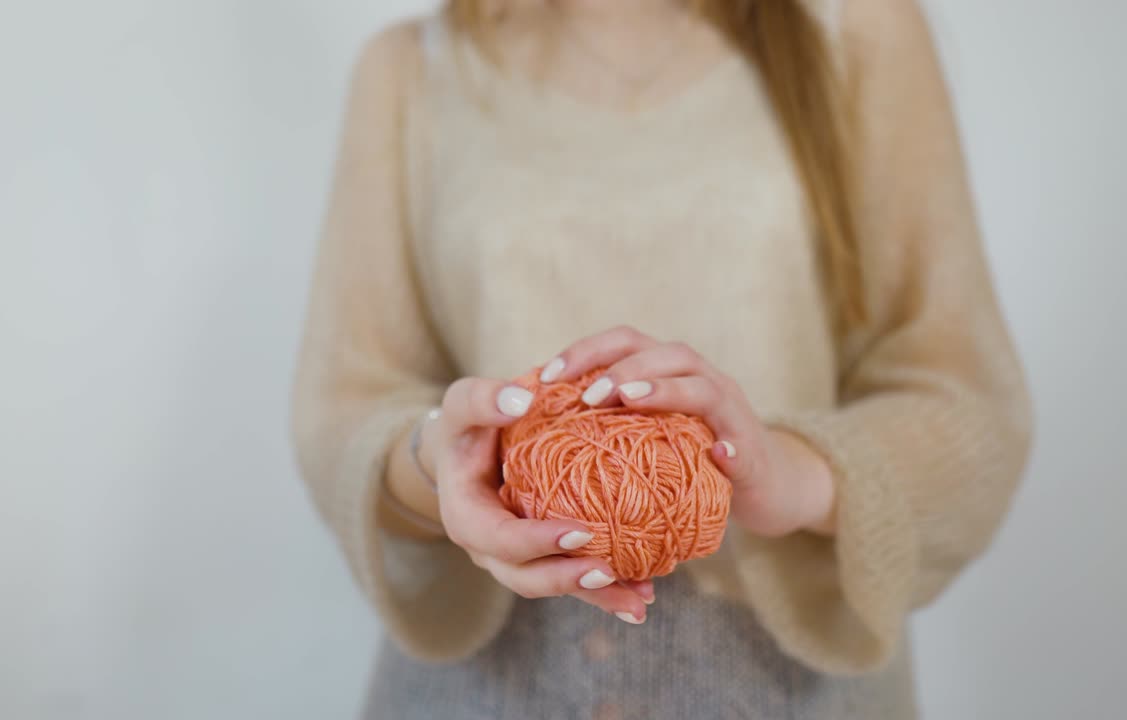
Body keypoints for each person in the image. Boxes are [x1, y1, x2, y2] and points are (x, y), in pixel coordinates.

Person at [291, 0, 1032, 717]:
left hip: (795, 678)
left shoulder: (853, 29)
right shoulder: (413, 67)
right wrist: (439, 469)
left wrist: (790, 470)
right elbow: (344, 406)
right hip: (481, 680)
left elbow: (961, 392)